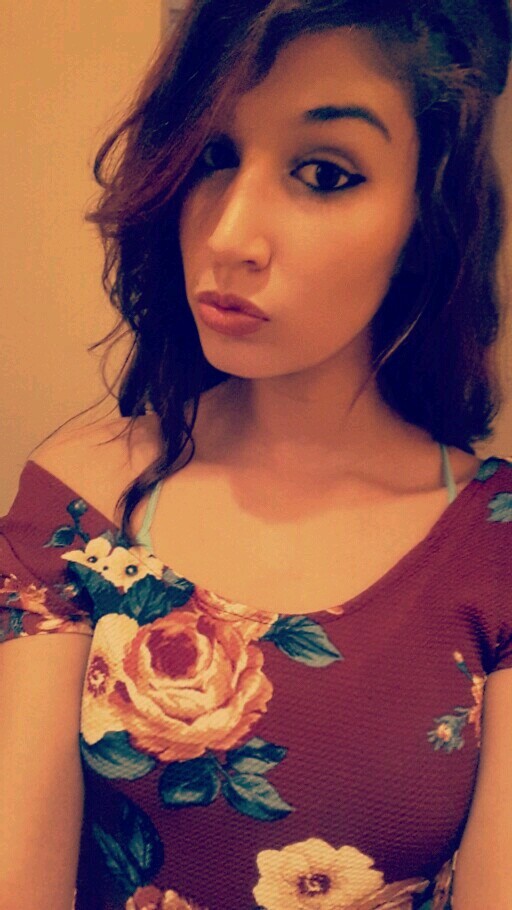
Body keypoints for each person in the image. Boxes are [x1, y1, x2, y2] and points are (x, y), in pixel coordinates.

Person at [1, 1, 511, 908]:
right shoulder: (81, 502)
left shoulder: (494, 545)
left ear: (425, 216)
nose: (230, 236)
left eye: (324, 173)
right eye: (212, 156)